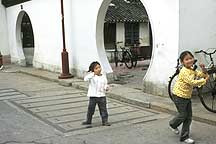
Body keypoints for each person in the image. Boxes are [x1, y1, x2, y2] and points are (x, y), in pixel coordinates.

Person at [169, 51, 209, 144]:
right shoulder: (183, 71)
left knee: (189, 117)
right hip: (178, 96)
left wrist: (204, 70)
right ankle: (175, 127)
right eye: (186, 59)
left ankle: (182, 134)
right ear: (182, 62)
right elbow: (192, 82)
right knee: (183, 115)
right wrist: (203, 81)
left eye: (191, 58)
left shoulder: (192, 69)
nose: (189, 60)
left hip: (186, 96)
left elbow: (201, 74)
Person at [82, 61, 111, 128]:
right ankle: (88, 120)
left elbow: (105, 84)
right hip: (93, 96)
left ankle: (105, 121)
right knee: (91, 109)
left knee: (103, 109)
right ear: (93, 70)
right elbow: (85, 79)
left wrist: (106, 87)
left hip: (102, 96)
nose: (99, 69)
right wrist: (93, 74)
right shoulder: (92, 77)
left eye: (99, 67)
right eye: (96, 68)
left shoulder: (103, 76)